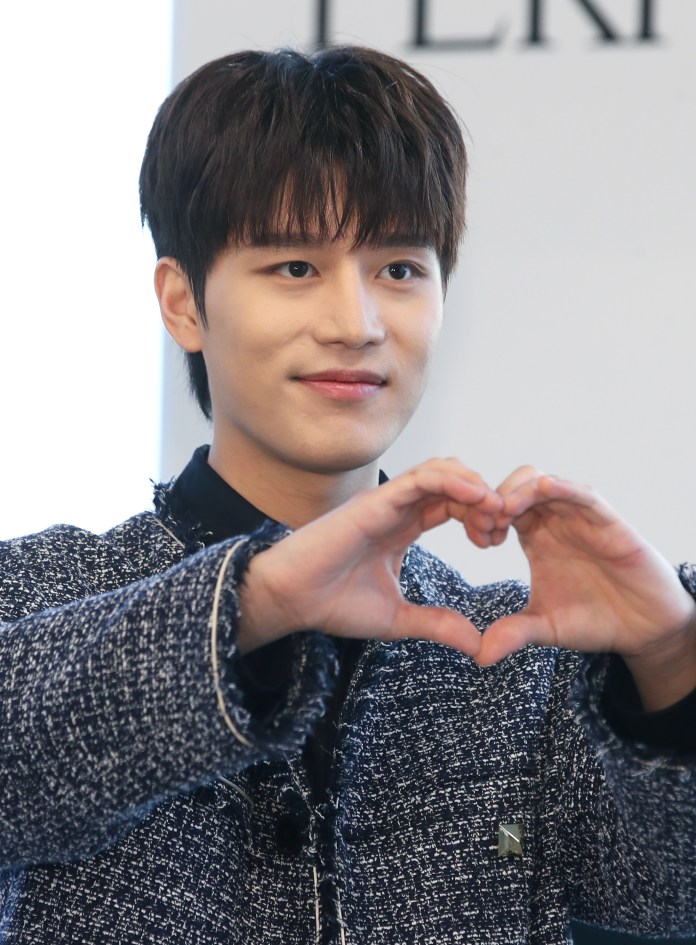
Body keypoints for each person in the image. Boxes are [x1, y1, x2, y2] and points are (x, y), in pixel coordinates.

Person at [0, 46, 694, 945]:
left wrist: (672, 656)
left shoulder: (514, 662)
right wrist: (257, 601)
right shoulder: (41, 593)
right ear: (183, 304)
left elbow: (670, 887)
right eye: (295, 267)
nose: (355, 324)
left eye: (399, 269)